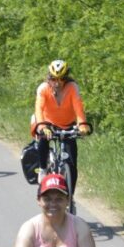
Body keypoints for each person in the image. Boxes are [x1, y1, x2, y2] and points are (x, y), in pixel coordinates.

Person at [28, 59, 93, 194]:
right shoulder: (43, 88)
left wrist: (82, 124)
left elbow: (78, 107)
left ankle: (70, 196)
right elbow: (38, 109)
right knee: (44, 139)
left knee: (72, 162)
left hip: (67, 124)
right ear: (49, 77)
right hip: (47, 123)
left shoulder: (72, 87)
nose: (57, 83)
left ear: (66, 78)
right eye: (53, 79)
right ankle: (43, 169)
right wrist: (42, 126)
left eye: (61, 79)